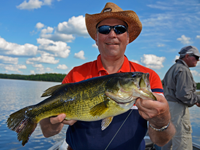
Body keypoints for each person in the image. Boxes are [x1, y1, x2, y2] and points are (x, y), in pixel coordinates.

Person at [40, 2, 175, 150]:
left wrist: (162, 120)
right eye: (104, 29)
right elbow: (47, 132)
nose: (112, 34)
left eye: (120, 29)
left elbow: (161, 141)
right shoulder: (76, 74)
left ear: (128, 38)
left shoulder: (148, 77)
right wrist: (53, 122)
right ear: (96, 39)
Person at [162, 45, 200, 150]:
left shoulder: (173, 68)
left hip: (168, 109)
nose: (198, 60)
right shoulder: (183, 70)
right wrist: (198, 99)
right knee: (182, 142)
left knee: (168, 141)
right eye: (196, 57)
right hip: (178, 111)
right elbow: (184, 95)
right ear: (187, 56)